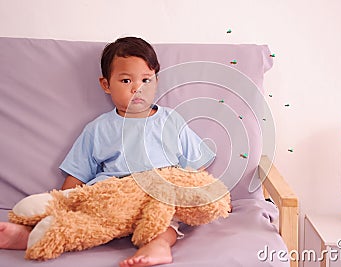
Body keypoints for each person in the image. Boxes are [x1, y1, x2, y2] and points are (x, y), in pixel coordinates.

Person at [0, 37, 215, 267]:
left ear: (156, 82)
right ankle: (28, 234)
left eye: (146, 80)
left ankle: (158, 246)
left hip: (153, 198)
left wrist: (213, 194)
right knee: (82, 221)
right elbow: (76, 178)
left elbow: (196, 170)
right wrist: (67, 201)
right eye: (125, 80)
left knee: (165, 222)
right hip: (109, 200)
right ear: (106, 84)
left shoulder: (171, 121)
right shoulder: (98, 128)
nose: (137, 88)